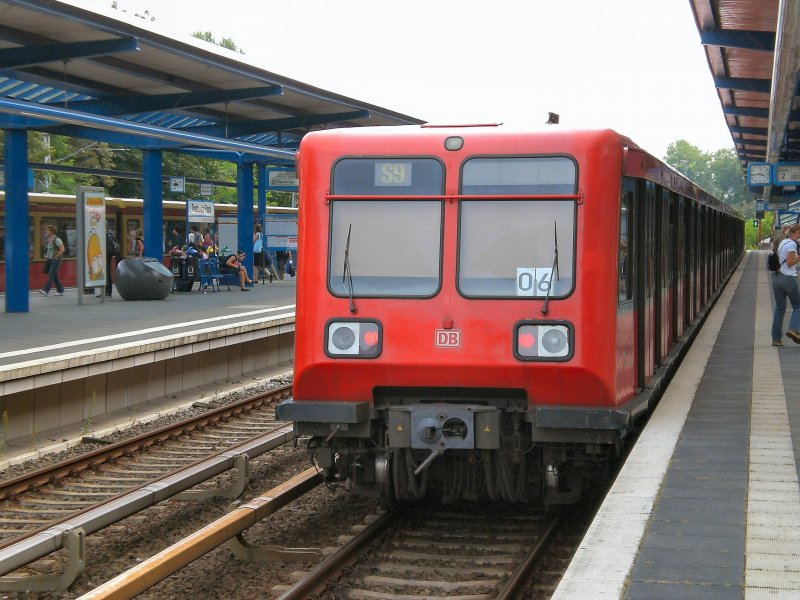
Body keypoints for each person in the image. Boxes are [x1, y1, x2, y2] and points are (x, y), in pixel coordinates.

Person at [771, 223, 800, 346]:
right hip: (788, 278)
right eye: (798, 233)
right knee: (798, 306)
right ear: (792, 233)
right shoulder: (792, 244)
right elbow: (789, 262)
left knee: (779, 308)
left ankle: (776, 339)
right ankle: (794, 329)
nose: (799, 236)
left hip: (777, 278)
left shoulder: (784, 242)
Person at [39, 224, 65, 296]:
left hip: (56, 260)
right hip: (49, 260)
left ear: (52, 231)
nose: (46, 231)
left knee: (51, 275)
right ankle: (60, 290)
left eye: (47, 230)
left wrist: (56, 256)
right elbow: (49, 250)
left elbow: (62, 249)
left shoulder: (57, 239)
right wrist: (46, 255)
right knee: (54, 276)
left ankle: (45, 290)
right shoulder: (48, 239)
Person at [106, 228, 120, 297]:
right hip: (109, 255)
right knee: (107, 272)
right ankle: (108, 291)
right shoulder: (110, 233)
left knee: (106, 272)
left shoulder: (105, 234)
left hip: (106, 255)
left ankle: (107, 291)